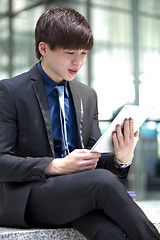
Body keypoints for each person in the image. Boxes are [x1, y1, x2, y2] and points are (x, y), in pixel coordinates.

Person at [0, 7, 159, 240]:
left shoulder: (87, 95)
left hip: (78, 193)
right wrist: (56, 166)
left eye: (84, 53)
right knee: (103, 182)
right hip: (31, 197)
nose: (78, 61)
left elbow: (95, 159)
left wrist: (121, 158)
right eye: (70, 52)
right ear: (43, 49)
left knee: (111, 234)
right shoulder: (10, 91)